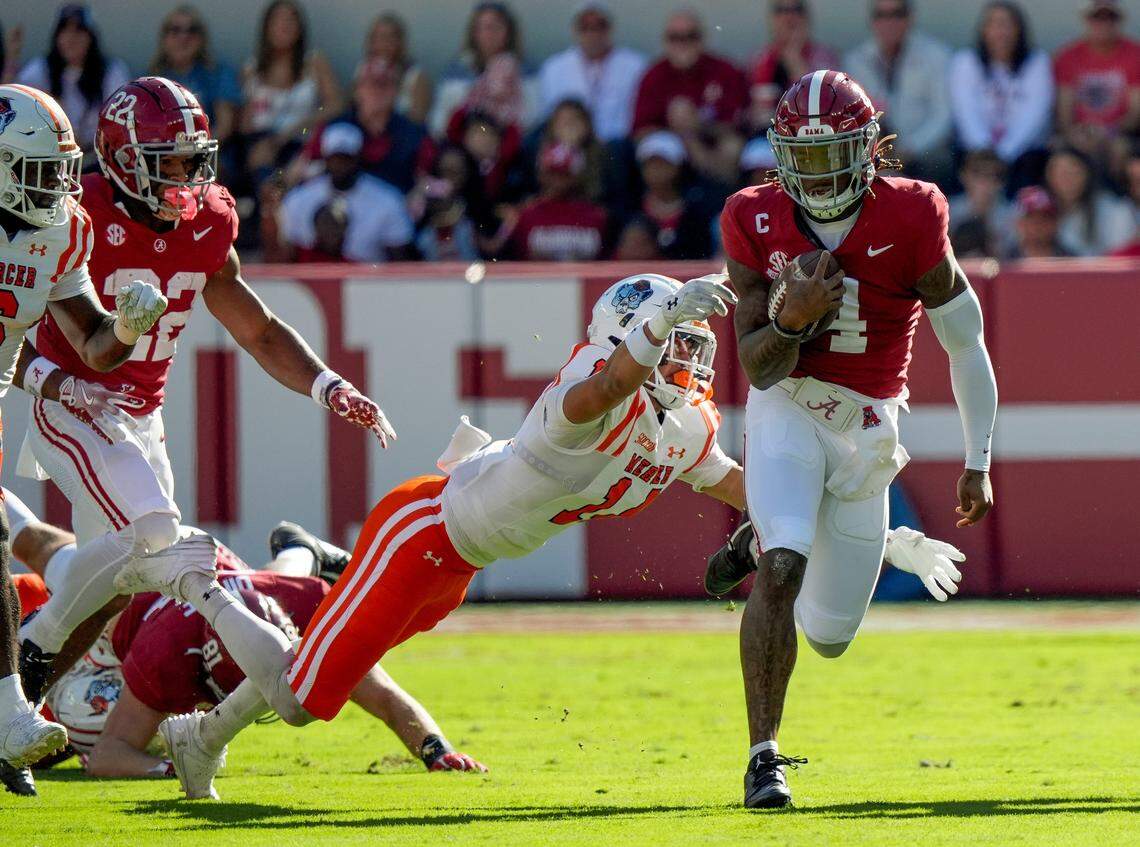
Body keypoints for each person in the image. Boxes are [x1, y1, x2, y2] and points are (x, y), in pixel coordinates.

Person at [123, 268, 742, 800]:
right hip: (423, 533)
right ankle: (196, 582)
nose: (687, 360)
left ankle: (197, 738)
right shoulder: (587, 396)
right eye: (675, 343)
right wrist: (658, 322)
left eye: (693, 345)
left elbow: (731, 483)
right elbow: (608, 387)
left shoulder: (684, 424)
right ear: (625, 337)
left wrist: (815, 510)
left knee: (325, 666)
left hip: (461, 563)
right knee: (301, 701)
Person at [14, 77, 396, 727]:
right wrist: (62, 383)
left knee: (119, 583)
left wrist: (329, 384)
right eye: (173, 161)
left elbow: (260, 327)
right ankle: (31, 666)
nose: (191, 177)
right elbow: (11, 330)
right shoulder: (76, 216)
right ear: (125, 160)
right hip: (72, 404)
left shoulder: (210, 219)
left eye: (197, 159)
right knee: (156, 535)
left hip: (138, 416)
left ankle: (29, 694)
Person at [718, 70, 997, 808]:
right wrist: (790, 320)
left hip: (869, 429)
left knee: (832, 636)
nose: (815, 175)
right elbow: (757, 363)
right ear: (779, 155)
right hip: (789, 406)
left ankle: (773, 535)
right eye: (800, 159)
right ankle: (762, 758)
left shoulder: (912, 215)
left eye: (830, 155)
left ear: (871, 149)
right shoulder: (753, 214)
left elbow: (965, 342)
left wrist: (979, 460)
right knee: (782, 564)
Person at [1, 498, 483, 793]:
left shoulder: (301, 608)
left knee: (283, 586)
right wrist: (170, 767)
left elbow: (383, 696)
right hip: (130, 597)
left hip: (235, 579)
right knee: (52, 560)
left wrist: (435, 750)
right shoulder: (167, 654)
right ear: (213, 674)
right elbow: (109, 756)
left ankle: (302, 553)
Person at [0, 84, 167, 778]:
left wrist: (127, 325)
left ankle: (10, 715)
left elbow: (93, 341)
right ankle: (10, 717)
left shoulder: (65, 229)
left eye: (61, 172)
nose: (57, 190)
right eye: (39, 173)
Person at [632, 10, 748, 186]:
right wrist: (678, 128)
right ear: (665, 41)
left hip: (711, 141)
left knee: (732, 146)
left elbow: (736, 122)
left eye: (690, 36)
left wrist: (696, 125)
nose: (683, 43)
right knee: (657, 152)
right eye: (675, 37)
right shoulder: (654, 75)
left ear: (702, 39)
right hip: (669, 141)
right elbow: (640, 130)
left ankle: (723, 196)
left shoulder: (724, 70)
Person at [842, 0, 953, 184]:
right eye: (881, 15)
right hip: (874, 160)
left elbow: (943, 116)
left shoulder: (936, 56)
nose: (889, 22)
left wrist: (911, 148)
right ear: (872, 21)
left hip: (925, 159)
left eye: (897, 14)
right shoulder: (856, 61)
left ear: (910, 17)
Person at [948, 1, 1053, 194]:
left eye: (1007, 24)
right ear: (983, 30)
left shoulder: (1037, 62)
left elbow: (1034, 116)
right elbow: (965, 112)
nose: (1001, 32)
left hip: (1022, 154)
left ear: (1019, 30)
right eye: (994, 24)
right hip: (974, 152)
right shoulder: (966, 62)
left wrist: (1003, 155)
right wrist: (984, 156)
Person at [239, 0, 343, 188]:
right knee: (260, 170)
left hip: (301, 141)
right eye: (278, 20)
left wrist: (289, 133)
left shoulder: (314, 63)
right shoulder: (252, 70)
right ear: (267, 27)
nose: (284, 25)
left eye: (291, 20)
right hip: (262, 144)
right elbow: (245, 126)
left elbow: (336, 106)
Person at [293, 59, 433, 195]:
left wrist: (420, 193)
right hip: (336, 209)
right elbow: (300, 169)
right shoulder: (332, 127)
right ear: (357, 89)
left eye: (385, 84)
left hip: (394, 211)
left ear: (396, 91)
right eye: (371, 83)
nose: (377, 90)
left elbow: (427, 182)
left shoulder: (415, 134)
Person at [279, 123, 413, 263]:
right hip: (312, 277)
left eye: (346, 158)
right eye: (335, 158)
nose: (340, 165)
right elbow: (288, 256)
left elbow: (401, 260)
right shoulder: (298, 199)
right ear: (326, 158)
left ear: (358, 157)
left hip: (368, 280)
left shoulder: (388, 200)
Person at [16, 5, 130, 161]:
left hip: (99, 158)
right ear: (56, 36)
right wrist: (12, 58)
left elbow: (124, 122)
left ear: (91, 37)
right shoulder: (40, 69)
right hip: (51, 158)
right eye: (65, 30)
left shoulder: (111, 71)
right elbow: (11, 105)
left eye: (79, 30)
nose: (71, 37)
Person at [1054, 0, 1140, 185]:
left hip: (1120, 133)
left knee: (1120, 149)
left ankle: (1118, 201)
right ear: (1086, 20)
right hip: (1079, 133)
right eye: (1097, 17)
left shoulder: (1135, 54)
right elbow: (1064, 113)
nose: (1104, 23)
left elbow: (1135, 112)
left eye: (1110, 17)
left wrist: (1108, 132)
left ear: (1119, 21)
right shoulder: (1067, 56)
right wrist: (1076, 134)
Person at [537, 2, 647, 143]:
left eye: (599, 26)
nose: (593, 34)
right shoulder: (554, 68)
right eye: (585, 27)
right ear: (575, 30)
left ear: (610, 28)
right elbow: (548, 117)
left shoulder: (636, 66)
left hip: (619, 146)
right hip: (571, 144)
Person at [430, 2, 537, 136]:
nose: (490, 34)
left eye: (496, 27)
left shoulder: (526, 69)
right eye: (484, 27)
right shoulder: (457, 70)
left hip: (513, 143)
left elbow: (534, 118)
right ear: (474, 32)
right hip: (465, 143)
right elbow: (441, 120)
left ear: (509, 31)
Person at [149, 6, 241, 152]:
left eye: (192, 30)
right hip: (162, 157)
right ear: (164, 38)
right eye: (175, 30)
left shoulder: (219, 73)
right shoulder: (150, 81)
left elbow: (225, 127)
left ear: (202, 38)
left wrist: (191, 151)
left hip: (212, 156)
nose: (183, 37)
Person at [747, 0, 839, 136]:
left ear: (807, 18)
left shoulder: (824, 58)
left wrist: (794, 59)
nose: (789, 17)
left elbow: (822, 109)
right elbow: (757, 116)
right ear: (771, 19)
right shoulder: (759, 60)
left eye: (797, 10)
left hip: (815, 135)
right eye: (781, 10)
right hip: (768, 137)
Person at [507, 142, 609, 261]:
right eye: (552, 173)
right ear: (541, 175)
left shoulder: (596, 216)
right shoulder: (526, 214)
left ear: (576, 177)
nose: (557, 181)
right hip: (538, 279)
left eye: (564, 174)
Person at [634, 130, 714, 260]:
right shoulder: (631, 209)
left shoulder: (697, 212)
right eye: (650, 163)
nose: (656, 170)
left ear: (678, 167)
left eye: (663, 163)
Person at [1043, 146, 1135, 256]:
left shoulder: (1114, 211)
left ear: (1087, 174)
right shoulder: (1038, 211)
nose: (1066, 178)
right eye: (1059, 172)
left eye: (1072, 171)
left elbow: (1121, 257)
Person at [361, 13, 433, 126]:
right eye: (378, 37)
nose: (383, 43)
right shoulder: (363, 69)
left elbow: (419, 119)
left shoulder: (416, 76)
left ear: (400, 42)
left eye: (389, 37)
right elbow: (354, 107)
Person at [948, 150, 1014, 259]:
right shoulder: (948, 211)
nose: (986, 181)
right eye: (978, 173)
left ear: (1002, 182)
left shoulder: (1012, 216)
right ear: (963, 176)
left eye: (994, 175)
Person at [1005, 185, 1069, 259]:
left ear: (1055, 223)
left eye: (1044, 219)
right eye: (1030, 218)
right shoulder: (1003, 259)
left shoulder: (1071, 260)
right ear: (1019, 222)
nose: (1037, 225)